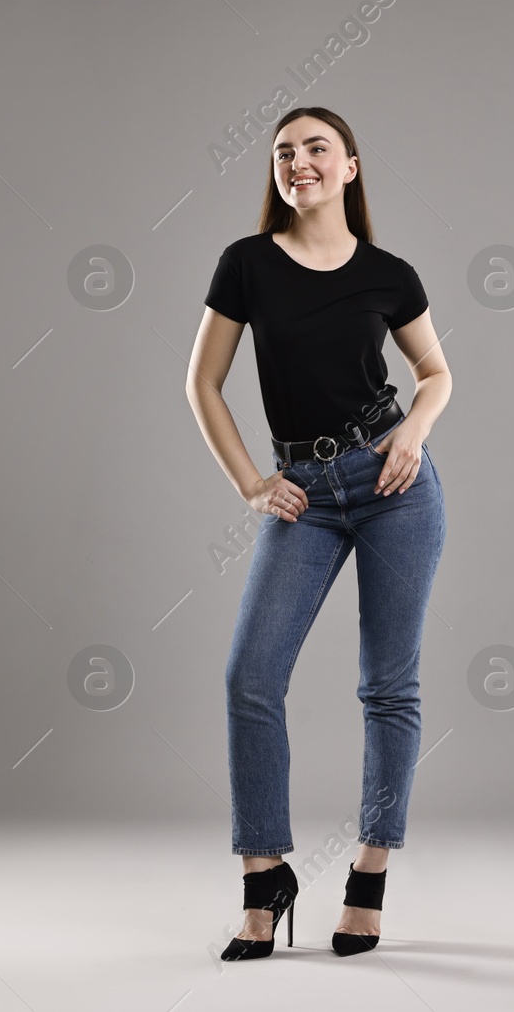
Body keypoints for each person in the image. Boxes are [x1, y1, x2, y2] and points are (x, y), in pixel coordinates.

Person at [185, 107, 452, 959]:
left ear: (350, 168)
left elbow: (437, 372)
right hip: (302, 487)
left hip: (393, 483)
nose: (297, 162)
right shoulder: (248, 264)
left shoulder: (390, 273)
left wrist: (413, 431)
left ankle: (368, 878)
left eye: (315, 149)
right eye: (283, 153)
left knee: (388, 686)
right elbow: (202, 383)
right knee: (250, 676)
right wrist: (254, 483)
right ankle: (263, 882)